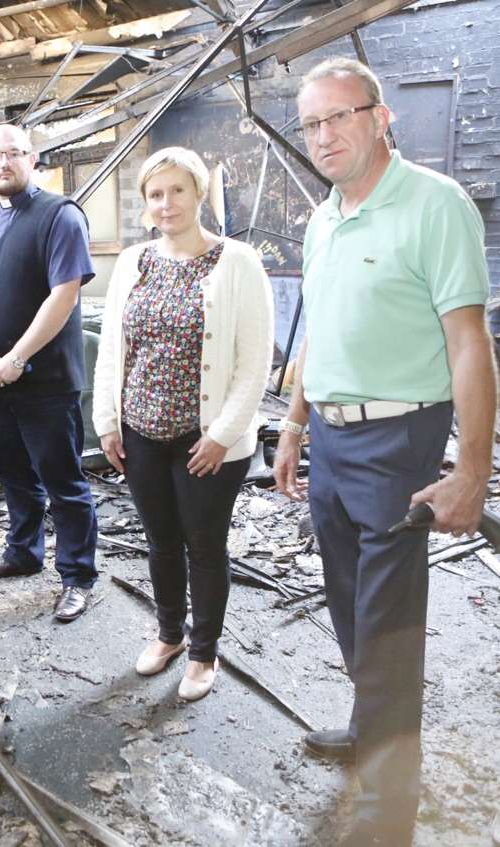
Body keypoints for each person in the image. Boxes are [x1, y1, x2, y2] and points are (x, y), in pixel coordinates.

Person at [274, 58, 494, 845]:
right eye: (310, 124)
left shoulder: (434, 205)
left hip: (400, 436)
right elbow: (317, 331)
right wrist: (294, 427)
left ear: (380, 116)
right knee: (348, 606)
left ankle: (386, 812)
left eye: (339, 116)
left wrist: (471, 469)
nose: (323, 135)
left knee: (388, 623)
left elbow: (469, 345)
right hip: (330, 437)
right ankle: (374, 729)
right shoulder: (323, 215)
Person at [93, 146, 274, 701]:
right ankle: (170, 634)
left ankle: (203, 652)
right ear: (145, 204)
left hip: (207, 443)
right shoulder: (133, 261)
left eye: (177, 191)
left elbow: (254, 358)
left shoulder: (237, 261)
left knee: (204, 544)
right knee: (161, 542)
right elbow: (111, 349)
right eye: (155, 194)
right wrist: (107, 420)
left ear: (199, 194)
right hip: (142, 433)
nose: (166, 203)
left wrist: (222, 434)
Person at [0, 123, 98, 622]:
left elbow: (65, 294)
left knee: (64, 482)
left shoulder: (61, 216)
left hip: (45, 381)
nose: (3, 163)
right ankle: (23, 553)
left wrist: (17, 357)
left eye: (14, 153)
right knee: (12, 475)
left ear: (34, 160)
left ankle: (77, 576)